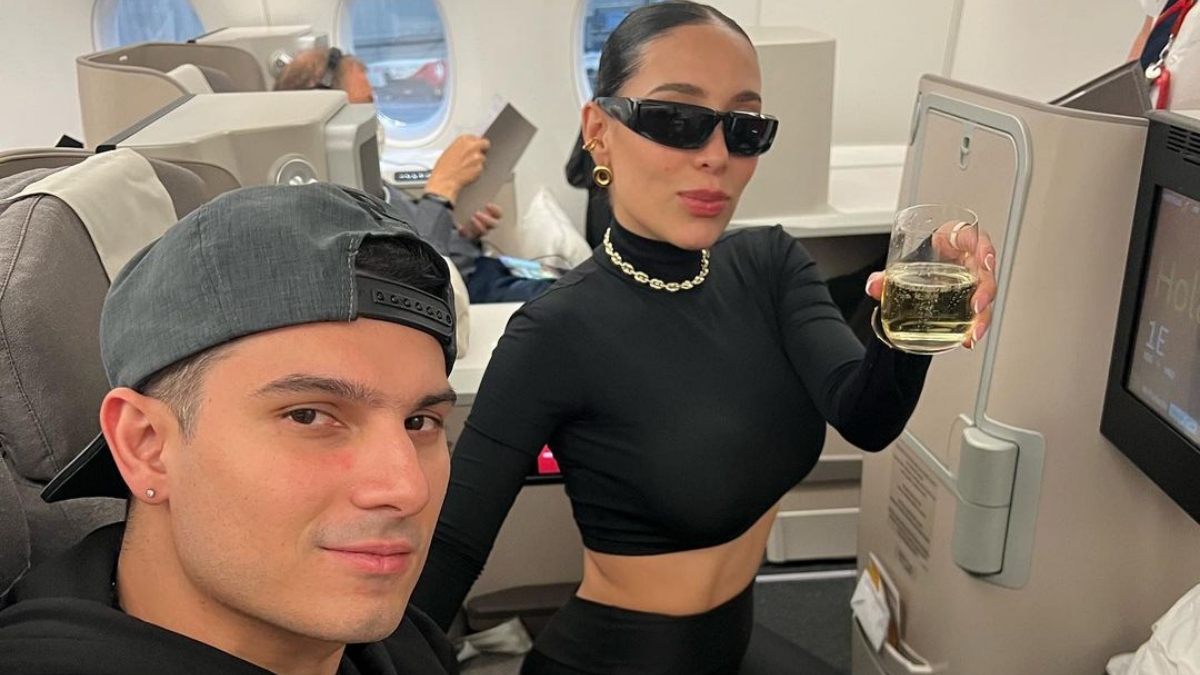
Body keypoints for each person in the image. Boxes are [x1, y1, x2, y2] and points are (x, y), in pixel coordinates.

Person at [410, 3, 998, 674]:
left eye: (744, 128)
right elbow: (452, 547)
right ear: (600, 132)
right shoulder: (555, 331)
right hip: (615, 660)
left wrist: (921, 290)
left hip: (733, 640)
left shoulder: (771, 265)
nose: (716, 156)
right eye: (676, 120)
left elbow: (867, 416)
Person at [0, 183, 463, 675]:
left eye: (419, 422)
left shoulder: (405, 645)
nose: (408, 489)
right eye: (308, 416)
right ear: (145, 445)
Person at [276, 47, 554, 303]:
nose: (374, 120)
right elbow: (419, 282)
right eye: (363, 109)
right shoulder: (334, 209)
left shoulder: (368, 178)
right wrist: (442, 189)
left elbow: (418, 233)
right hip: (462, 291)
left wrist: (462, 232)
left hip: (475, 270)